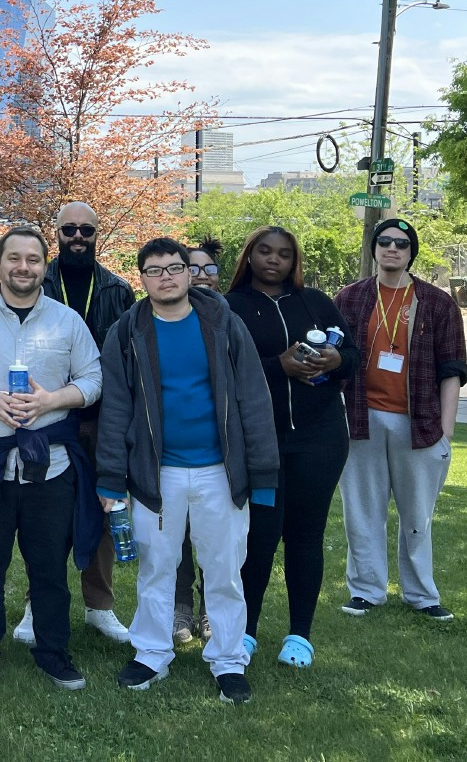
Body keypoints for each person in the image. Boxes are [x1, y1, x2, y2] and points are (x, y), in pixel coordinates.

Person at [95, 237, 279, 703]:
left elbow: (253, 398)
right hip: (158, 476)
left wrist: (263, 474)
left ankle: (229, 660)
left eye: (174, 267)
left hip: (221, 470)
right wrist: (111, 477)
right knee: (157, 567)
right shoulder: (128, 331)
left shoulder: (221, 322)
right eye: (154, 270)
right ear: (142, 278)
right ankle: (151, 654)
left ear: (188, 271)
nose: (166, 277)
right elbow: (116, 409)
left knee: (224, 569)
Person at [0, 226, 103, 692]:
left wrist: (52, 401)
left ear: (43, 265)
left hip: (50, 466)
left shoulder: (67, 321)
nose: (23, 268)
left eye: (33, 259)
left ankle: (54, 652)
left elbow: (94, 379)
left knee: (49, 568)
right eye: (14, 258)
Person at [224, 226, 358, 671]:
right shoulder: (231, 308)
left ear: (294, 261)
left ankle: (300, 636)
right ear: (250, 256)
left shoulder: (316, 303)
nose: (274, 260)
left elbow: (354, 355)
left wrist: (337, 359)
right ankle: (245, 633)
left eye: (284, 254)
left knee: (305, 537)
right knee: (258, 539)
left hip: (320, 440)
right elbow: (224, 371)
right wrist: (278, 365)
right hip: (263, 444)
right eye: (265, 251)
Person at [333, 218, 467, 622]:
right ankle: (366, 591)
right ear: (375, 249)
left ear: (411, 253)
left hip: (420, 425)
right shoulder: (350, 299)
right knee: (362, 511)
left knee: (417, 516)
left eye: (402, 243)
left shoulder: (437, 303)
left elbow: (452, 369)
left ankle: (422, 595)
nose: (392, 248)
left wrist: (446, 430)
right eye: (385, 242)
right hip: (360, 421)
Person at [28, 200, 136, 647]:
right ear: (55, 233)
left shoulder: (117, 290)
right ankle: (37, 605)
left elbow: (129, 361)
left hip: (103, 420)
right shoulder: (38, 282)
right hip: (49, 417)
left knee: (106, 508)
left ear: (96, 234)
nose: (77, 237)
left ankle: (100, 607)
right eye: (69, 229)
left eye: (85, 230)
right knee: (46, 516)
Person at [172, 236, 224, 645]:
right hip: (172, 454)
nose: (203, 276)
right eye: (194, 269)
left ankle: (210, 611)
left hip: (218, 455)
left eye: (210, 269)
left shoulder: (230, 320)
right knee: (177, 537)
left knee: (213, 537)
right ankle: (180, 609)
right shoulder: (161, 319)